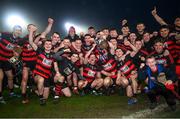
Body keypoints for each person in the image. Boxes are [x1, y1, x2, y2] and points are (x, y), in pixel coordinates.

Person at [21, 18, 54, 104]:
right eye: (31, 28)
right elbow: (18, 48)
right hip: (27, 62)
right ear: (28, 29)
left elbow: (46, 32)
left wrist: (50, 23)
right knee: (25, 78)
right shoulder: (23, 39)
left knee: (39, 79)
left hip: (36, 62)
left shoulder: (38, 36)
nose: (33, 29)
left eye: (34, 28)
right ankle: (24, 96)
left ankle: (36, 90)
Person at [28, 22, 59, 106]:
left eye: (50, 44)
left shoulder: (53, 55)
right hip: (37, 74)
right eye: (46, 44)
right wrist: (31, 31)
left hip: (47, 76)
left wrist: (57, 73)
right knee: (41, 80)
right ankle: (41, 97)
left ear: (51, 46)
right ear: (44, 45)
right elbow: (31, 42)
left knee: (46, 97)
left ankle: (35, 90)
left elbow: (55, 66)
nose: (48, 45)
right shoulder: (39, 51)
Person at [0, 25, 23, 104]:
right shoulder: (5, 34)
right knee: (1, 77)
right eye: (17, 30)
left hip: (7, 60)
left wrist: (14, 61)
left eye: (20, 30)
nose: (18, 31)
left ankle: (11, 93)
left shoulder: (19, 40)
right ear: (13, 29)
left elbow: (17, 53)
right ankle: (0, 96)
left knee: (10, 76)